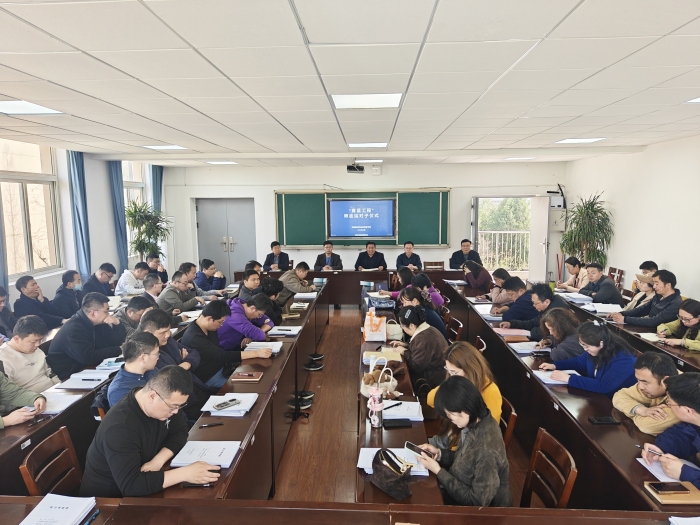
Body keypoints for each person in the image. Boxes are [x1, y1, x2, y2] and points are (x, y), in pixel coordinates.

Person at [80, 366, 220, 497]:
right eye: (173, 406)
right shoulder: (120, 427)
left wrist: (158, 460)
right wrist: (185, 474)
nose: (176, 412)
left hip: (146, 481)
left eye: (179, 406)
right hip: (108, 499)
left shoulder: (164, 402)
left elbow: (180, 432)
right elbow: (131, 486)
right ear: (152, 396)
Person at [415, 376, 511, 507]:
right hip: (456, 490)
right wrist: (439, 453)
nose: (450, 419)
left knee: (417, 495)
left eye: (450, 415)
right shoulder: (478, 421)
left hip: (476, 512)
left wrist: (438, 471)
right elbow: (464, 461)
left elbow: (476, 502)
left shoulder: (487, 450)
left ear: (465, 411)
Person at [181, 301, 271, 389]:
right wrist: (256, 353)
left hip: (223, 367)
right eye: (220, 322)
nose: (221, 325)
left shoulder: (209, 327)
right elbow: (222, 355)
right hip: (209, 376)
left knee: (260, 376)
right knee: (247, 387)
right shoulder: (194, 337)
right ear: (209, 318)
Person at [138, 309, 210, 419]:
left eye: (168, 330)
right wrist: (180, 367)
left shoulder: (167, 341)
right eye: (163, 332)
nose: (168, 335)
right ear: (148, 333)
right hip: (184, 404)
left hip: (197, 388)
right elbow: (170, 377)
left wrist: (185, 364)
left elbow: (194, 353)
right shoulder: (148, 356)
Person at [538, 320, 637, 397]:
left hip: (614, 401)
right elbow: (579, 362)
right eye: (582, 345)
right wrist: (554, 365)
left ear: (601, 343)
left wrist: (569, 378)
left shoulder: (624, 359)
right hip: (597, 395)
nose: (585, 349)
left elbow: (604, 386)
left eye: (586, 346)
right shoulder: (596, 349)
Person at [47, 292, 127, 380]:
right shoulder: (73, 329)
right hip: (70, 374)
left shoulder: (99, 323)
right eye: (106, 311)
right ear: (93, 313)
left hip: (90, 366)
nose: (108, 314)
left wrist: (117, 324)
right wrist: (119, 349)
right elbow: (89, 357)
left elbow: (116, 342)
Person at [642, 372, 700, 487]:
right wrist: (661, 448)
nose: (668, 406)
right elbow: (682, 434)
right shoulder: (695, 422)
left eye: (670, 404)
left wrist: (685, 473)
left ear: (688, 411)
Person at [427, 342, 502, 421]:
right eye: (448, 371)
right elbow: (430, 399)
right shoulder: (459, 381)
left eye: (454, 372)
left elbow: (490, 425)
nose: (451, 376)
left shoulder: (490, 391)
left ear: (469, 369)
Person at [612, 351, 679, 436]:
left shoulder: (681, 398)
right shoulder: (651, 386)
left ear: (665, 381)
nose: (640, 386)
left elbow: (647, 426)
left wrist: (631, 413)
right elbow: (619, 395)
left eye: (645, 382)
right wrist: (640, 409)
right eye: (638, 380)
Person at [389, 305, 447, 389]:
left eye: (402, 326)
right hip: (433, 373)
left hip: (429, 380)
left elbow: (415, 367)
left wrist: (403, 351)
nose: (402, 329)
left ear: (412, 325)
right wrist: (405, 345)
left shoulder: (423, 339)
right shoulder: (428, 329)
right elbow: (420, 350)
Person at [0, 315, 59, 393]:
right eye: (33, 341)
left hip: (53, 391)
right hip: (31, 398)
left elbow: (50, 373)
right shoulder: (3, 358)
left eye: (40, 340)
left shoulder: (36, 350)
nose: (38, 344)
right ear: (17, 339)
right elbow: (9, 393)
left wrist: (61, 386)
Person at [609, 270, 682, 327]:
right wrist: (620, 314)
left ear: (668, 285)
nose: (654, 287)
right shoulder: (658, 296)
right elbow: (641, 310)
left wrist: (625, 319)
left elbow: (655, 321)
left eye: (657, 284)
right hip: (648, 329)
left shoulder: (676, 303)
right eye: (654, 284)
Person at [500, 283, 570, 341]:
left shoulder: (556, 313)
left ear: (546, 302)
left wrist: (532, 331)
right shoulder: (548, 307)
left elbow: (541, 333)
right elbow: (533, 323)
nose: (534, 305)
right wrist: (511, 323)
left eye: (536, 303)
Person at [107, 332, 160, 407]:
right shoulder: (119, 391)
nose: (158, 357)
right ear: (143, 358)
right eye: (156, 354)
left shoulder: (151, 370)